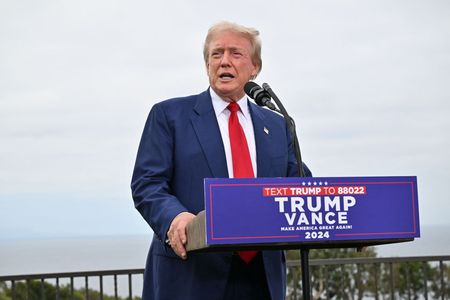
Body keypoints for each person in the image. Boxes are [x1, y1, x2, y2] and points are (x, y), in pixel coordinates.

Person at [131, 21, 311, 300]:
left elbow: (302, 188)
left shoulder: (278, 125)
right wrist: (175, 217)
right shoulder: (169, 116)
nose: (224, 61)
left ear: (255, 67)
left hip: (262, 278)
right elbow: (147, 184)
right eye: (217, 54)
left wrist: (351, 226)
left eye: (235, 53)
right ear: (207, 64)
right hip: (192, 274)